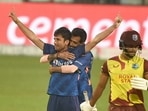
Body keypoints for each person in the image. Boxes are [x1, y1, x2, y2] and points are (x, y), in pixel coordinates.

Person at [9, 11, 122, 111]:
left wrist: (113, 27)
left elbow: (95, 40)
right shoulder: (53, 50)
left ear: (66, 41)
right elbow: (34, 38)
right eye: (54, 39)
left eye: (58, 39)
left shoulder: (78, 52)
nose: (55, 42)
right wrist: (17, 22)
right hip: (54, 93)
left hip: (70, 95)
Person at [80, 30, 148, 111]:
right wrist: (91, 104)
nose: (133, 49)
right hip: (116, 107)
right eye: (130, 46)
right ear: (122, 45)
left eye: (136, 46)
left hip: (137, 107)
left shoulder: (144, 64)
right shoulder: (110, 63)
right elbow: (101, 87)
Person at [40, 27, 94, 104]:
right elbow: (36, 41)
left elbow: (72, 69)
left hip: (83, 88)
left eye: (75, 43)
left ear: (82, 44)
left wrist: (54, 69)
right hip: (70, 89)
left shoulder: (86, 54)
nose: (71, 44)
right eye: (70, 41)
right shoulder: (64, 51)